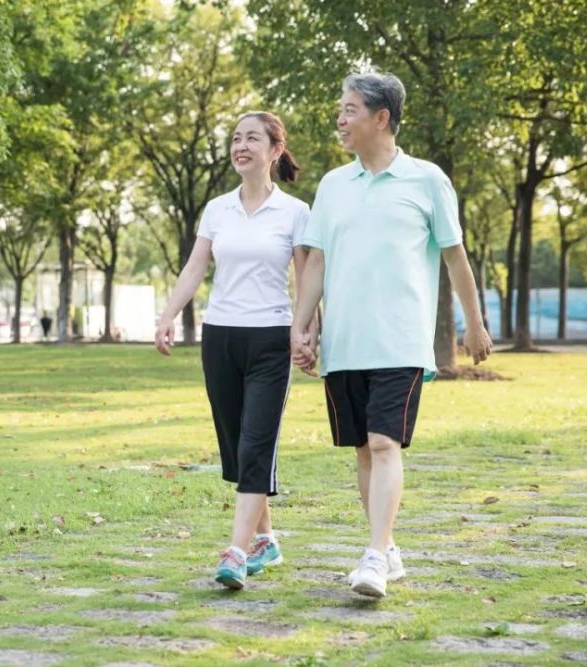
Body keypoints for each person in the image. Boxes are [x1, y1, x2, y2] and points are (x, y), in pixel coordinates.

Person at [291, 72, 493, 598]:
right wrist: (302, 326)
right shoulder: (333, 184)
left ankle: (376, 556)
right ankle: (388, 547)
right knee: (362, 447)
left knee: (384, 442)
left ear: (382, 118)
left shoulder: (427, 179)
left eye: (350, 109)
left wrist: (474, 323)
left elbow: (455, 255)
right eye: (340, 108)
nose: (340, 118)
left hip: (400, 340)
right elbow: (315, 263)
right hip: (345, 343)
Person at [155, 111, 314, 589]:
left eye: (252, 138)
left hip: (270, 336)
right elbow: (194, 267)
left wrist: (305, 332)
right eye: (236, 138)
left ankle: (237, 552)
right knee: (236, 447)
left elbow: (306, 278)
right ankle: (267, 540)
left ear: (274, 151)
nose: (241, 146)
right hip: (220, 336)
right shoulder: (217, 209)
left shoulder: (296, 212)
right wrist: (167, 316)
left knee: (256, 443)